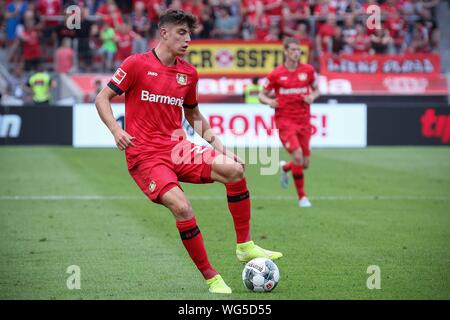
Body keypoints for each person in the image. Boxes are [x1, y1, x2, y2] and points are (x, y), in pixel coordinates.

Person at [95, 9, 282, 294]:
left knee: (235, 170)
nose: (188, 39)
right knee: (182, 207)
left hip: (178, 148)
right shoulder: (136, 64)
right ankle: (211, 276)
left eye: (190, 34)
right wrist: (116, 130)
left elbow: (194, 116)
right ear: (164, 33)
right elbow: (102, 97)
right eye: (182, 33)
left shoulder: (188, 73)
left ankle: (244, 246)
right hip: (144, 155)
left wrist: (222, 148)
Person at [258, 37, 320, 208]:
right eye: (292, 50)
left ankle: (286, 168)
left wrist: (312, 97)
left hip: (304, 120)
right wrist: (269, 102)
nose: (296, 53)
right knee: (298, 155)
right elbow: (261, 95)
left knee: (304, 163)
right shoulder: (276, 74)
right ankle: (302, 197)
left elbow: (317, 89)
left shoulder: (308, 70)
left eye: (298, 50)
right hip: (285, 120)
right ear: (285, 51)